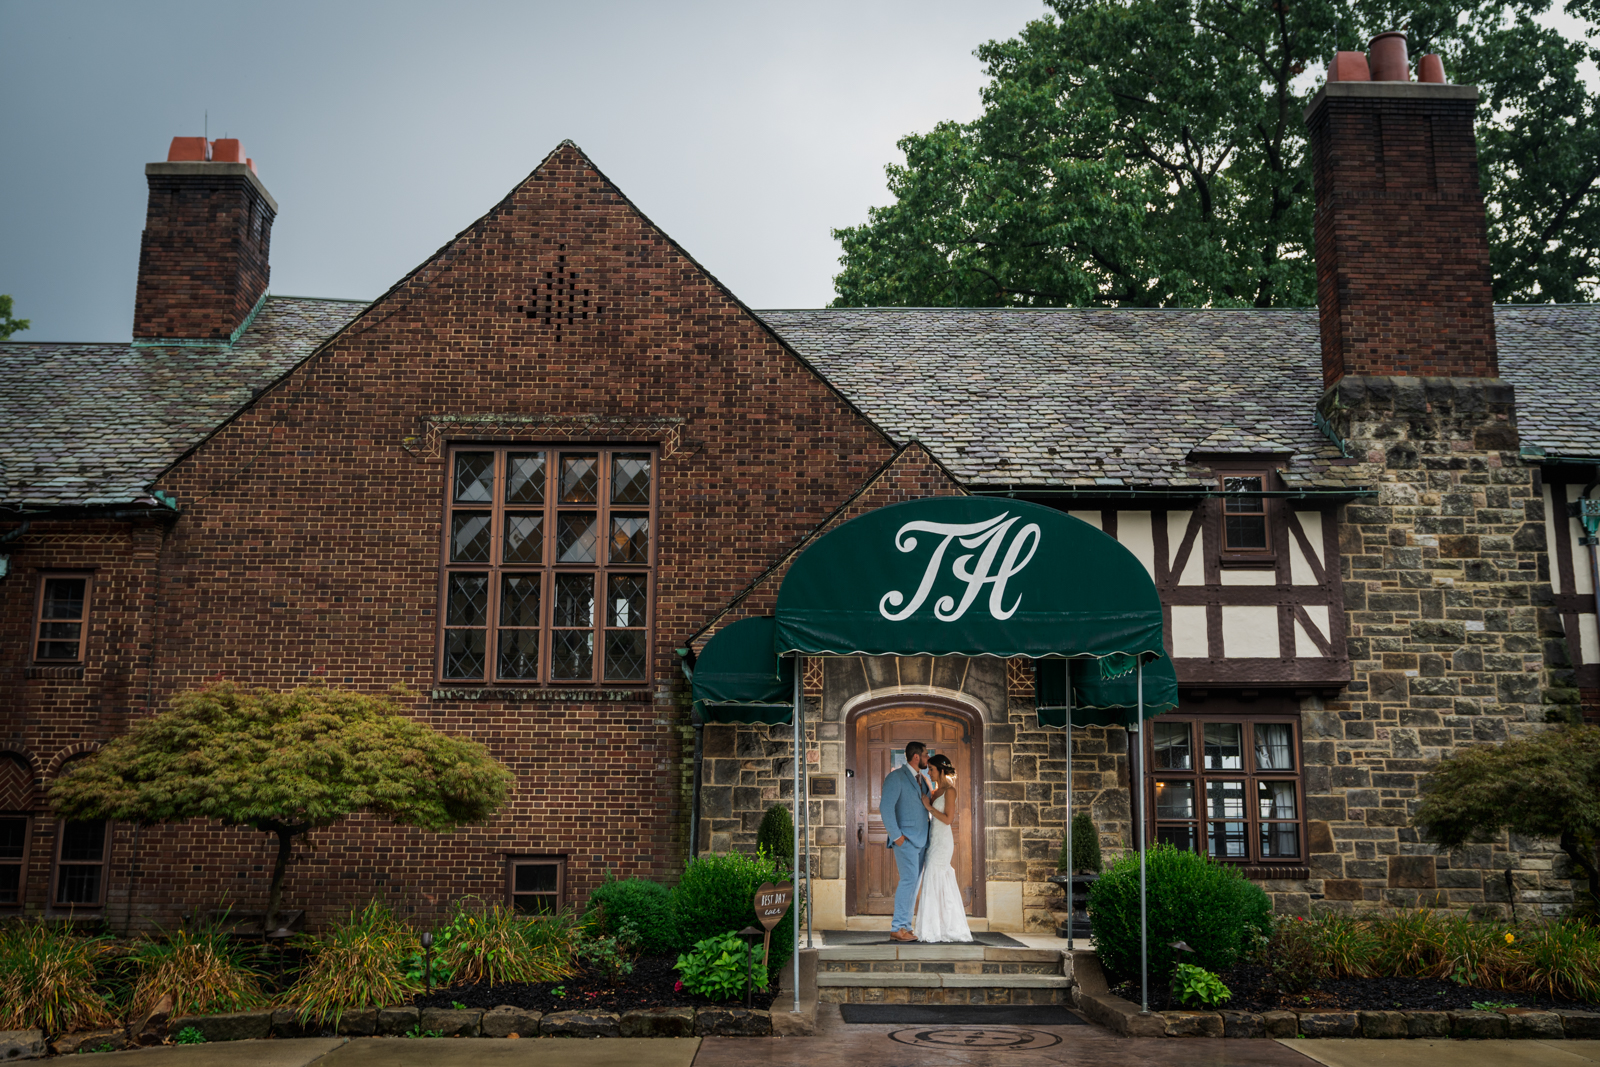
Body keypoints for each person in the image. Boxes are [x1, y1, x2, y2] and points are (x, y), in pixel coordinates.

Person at [914, 753, 973, 943]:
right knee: (931, 879)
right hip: (932, 839)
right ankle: (933, 926)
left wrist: (929, 807)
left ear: (941, 770)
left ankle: (945, 927)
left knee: (936, 877)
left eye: (931, 769)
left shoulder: (950, 791)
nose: (929, 772)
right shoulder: (934, 792)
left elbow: (948, 819)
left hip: (943, 842)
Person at [880, 740, 931, 942]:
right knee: (909, 881)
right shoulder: (895, 777)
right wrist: (897, 837)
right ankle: (897, 927)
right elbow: (886, 808)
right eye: (926, 755)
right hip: (906, 840)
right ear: (916, 757)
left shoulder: (922, 778)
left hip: (922, 841)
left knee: (914, 884)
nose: (928, 758)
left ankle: (906, 927)